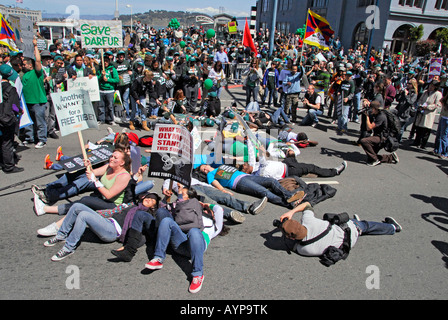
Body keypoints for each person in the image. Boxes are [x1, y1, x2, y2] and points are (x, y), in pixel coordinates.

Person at [145, 186, 228, 294]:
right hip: (181, 243)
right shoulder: (191, 214)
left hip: (196, 247)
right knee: (166, 221)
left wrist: (207, 205)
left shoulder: (214, 226)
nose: (206, 211)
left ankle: (198, 274)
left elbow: (219, 209)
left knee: (194, 231)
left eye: (209, 211)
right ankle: (158, 258)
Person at [42, 191, 159, 262]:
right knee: (77, 206)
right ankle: (61, 235)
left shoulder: (146, 215)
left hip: (112, 231)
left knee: (83, 215)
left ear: (154, 206)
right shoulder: (132, 206)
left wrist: (129, 246)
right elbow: (113, 211)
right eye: (148, 197)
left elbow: (142, 236)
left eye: (152, 200)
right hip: (107, 221)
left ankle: (69, 248)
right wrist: (98, 214)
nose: (149, 199)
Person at [276, 201, 402, 263]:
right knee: (364, 225)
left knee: (354, 225)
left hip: (346, 245)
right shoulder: (309, 221)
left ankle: (357, 226)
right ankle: (392, 227)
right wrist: (291, 212)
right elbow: (308, 205)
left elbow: (294, 245)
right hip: (348, 230)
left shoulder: (304, 250)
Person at [34, 149, 132, 217]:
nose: (111, 159)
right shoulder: (109, 167)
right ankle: (48, 189)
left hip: (112, 204)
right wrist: (88, 166)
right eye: (111, 156)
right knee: (79, 174)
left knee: (85, 201)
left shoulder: (124, 176)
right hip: (100, 195)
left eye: (115, 158)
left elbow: (109, 195)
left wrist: (95, 180)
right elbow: (92, 173)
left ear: (122, 163)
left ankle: (46, 209)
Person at [198, 164, 305, 208]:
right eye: (203, 170)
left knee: (271, 181)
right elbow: (214, 182)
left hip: (246, 176)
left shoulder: (220, 166)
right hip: (238, 183)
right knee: (264, 192)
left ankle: (289, 196)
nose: (206, 169)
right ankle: (289, 204)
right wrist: (222, 190)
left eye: (205, 166)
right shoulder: (210, 175)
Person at [21, 38, 48, 148]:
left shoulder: (37, 72)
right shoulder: (24, 74)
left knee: (40, 122)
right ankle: (30, 138)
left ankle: (42, 139)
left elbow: (37, 60)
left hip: (38, 101)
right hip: (27, 101)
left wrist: (35, 46)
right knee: (29, 122)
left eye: (25, 64)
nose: (23, 65)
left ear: (30, 65)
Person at [359, 101, 399, 166]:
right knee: (370, 157)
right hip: (379, 136)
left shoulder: (381, 116)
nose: (370, 110)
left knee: (364, 141)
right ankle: (391, 157)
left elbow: (369, 127)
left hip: (382, 138)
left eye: (371, 108)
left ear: (374, 109)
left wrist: (366, 116)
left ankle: (375, 160)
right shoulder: (376, 114)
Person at [0, 64, 23, 173]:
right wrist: (19, 110)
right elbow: (14, 106)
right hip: (7, 119)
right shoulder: (11, 89)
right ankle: (9, 166)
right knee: (7, 142)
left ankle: (2, 162)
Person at [413, 80, 443, 150]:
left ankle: (423, 143)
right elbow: (420, 100)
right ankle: (417, 141)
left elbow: (437, 104)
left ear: (435, 87)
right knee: (418, 128)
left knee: (426, 129)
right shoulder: (425, 92)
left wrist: (428, 107)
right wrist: (420, 105)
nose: (430, 87)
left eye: (432, 86)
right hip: (422, 111)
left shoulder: (438, 94)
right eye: (430, 85)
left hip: (429, 113)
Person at [97, 56, 119, 125]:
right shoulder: (100, 69)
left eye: (107, 61)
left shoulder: (113, 69)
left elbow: (116, 79)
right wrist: (101, 76)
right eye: (104, 61)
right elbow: (96, 79)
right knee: (101, 106)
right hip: (101, 90)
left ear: (109, 61)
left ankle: (110, 119)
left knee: (110, 106)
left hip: (110, 91)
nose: (105, 62)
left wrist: (108, 80)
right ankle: (101, 119)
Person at [432, 92, 448, 159]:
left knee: (444, 136)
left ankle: (444, 153)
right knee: (439, 135)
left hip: (446, 118)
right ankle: (437, 150)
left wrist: (444, 103)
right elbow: (441, 100)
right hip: (443, 116)